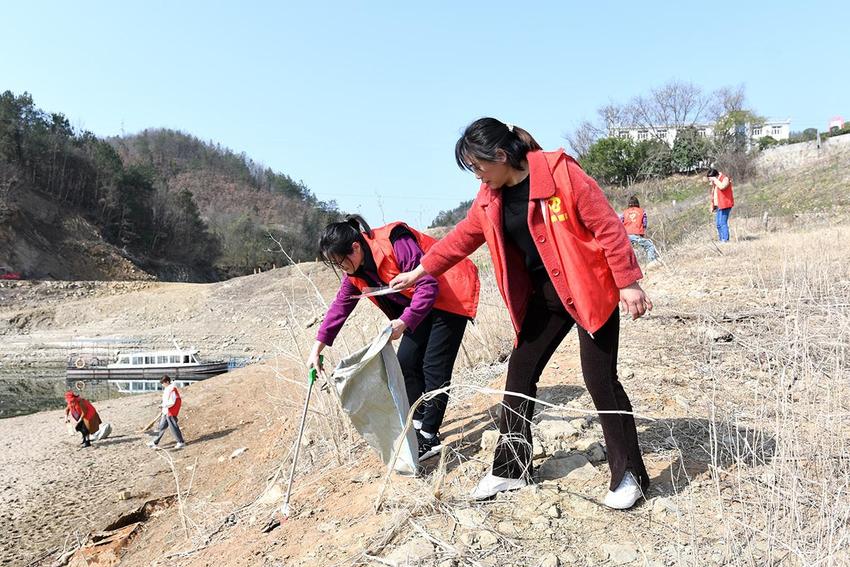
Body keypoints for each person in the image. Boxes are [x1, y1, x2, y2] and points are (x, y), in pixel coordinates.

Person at [390, 118, 652, 509]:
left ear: (501, 155)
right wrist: (420, 269)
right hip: (544, 296)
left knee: (600, 379)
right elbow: (460, 239)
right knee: (519, 375)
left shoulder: (561, 172)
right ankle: (511, 468)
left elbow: (607, 227)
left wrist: (627, 281)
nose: (477, 176)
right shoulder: (488, 198)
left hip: (586, 286)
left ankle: (630, 474)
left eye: (479, 166)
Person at [307, 215, 479, 461]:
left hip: (450, 294)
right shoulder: (356, 273)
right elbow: (339, 308)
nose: (341, 267)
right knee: (407, 363)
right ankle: (417, 425)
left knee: (434, 367)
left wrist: (404, 321)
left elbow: (427, 283)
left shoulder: (395, 240)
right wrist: (317, 348)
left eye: (340, 261)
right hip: (419, 307)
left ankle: (429, 435)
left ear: (355, 247)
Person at [148, 375, 185, 449]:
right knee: (161, 426)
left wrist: (163, 406)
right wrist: (163, 406)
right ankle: (153, 441)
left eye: (163, 383)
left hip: (171, 411)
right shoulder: (167, 389)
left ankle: (180, 442)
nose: (162, 384)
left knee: (173, 427)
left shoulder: (172, 389)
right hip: (166, 410)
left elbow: (172, 402)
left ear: (167, 382)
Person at [619, 195, 660, 263]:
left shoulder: (625, 212)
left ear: (629, 204)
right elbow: (644, 224)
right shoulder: (642, 211)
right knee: (649, 246)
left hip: (626, 236)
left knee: (627, 251)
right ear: (637, 203)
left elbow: (620, 223)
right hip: (636, 235)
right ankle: (651, 263)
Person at [707, 167, 734, 242]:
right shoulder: (715, 183)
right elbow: (714, 195)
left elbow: (722, 187)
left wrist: (715, 180)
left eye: (710, 178)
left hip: (725, 204)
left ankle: (725, 240)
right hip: (718, 205)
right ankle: (721, 239)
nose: (710, 181)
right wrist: (712, 205)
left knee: (723, 223)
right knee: (718, 224)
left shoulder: (725, 179)